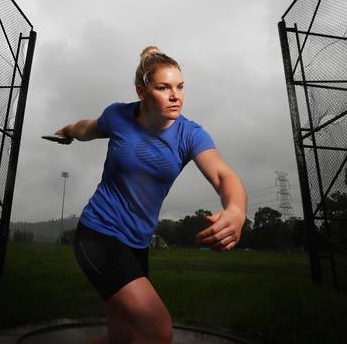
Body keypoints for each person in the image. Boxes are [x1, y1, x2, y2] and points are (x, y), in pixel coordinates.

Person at [53, 46, 248, 344]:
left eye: (180, 87)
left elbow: (224, 176)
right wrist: (67, 131)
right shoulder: (118, 115)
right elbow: (88, 128)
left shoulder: (190, 134)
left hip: (136, 245)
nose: (176, 95)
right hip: (98, 235)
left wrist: (235, 209)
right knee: (157, 330)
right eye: (164, 87)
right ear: (142, 92)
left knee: (122, 336)